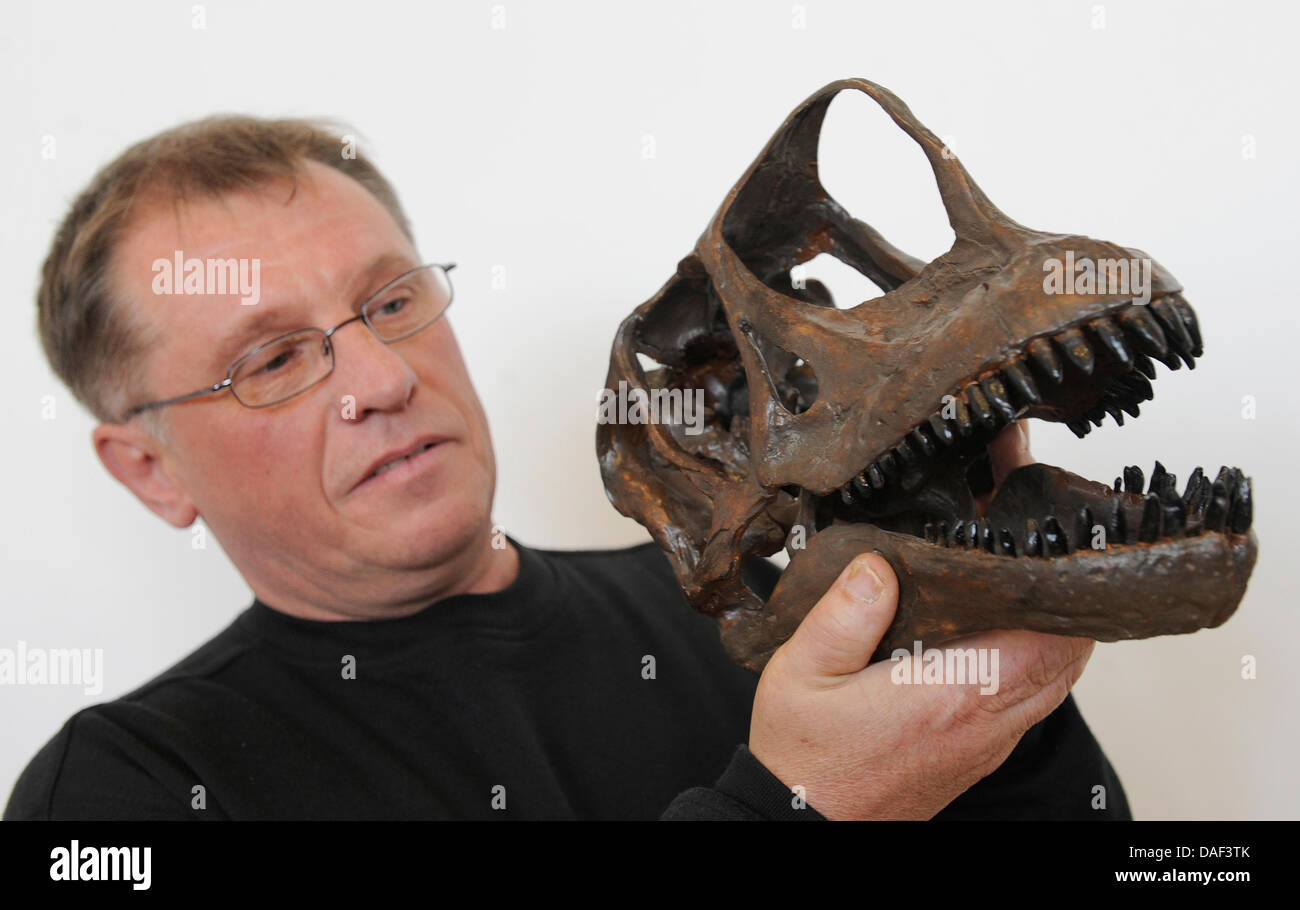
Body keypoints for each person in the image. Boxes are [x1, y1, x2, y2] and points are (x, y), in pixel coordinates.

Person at [5, 116, 1127, 820]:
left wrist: (978, 645)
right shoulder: (119, 797)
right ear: (151, 470)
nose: (383, 378)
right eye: (273, 358)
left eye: (392, 302)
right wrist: (798, 807)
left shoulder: (751, 601)